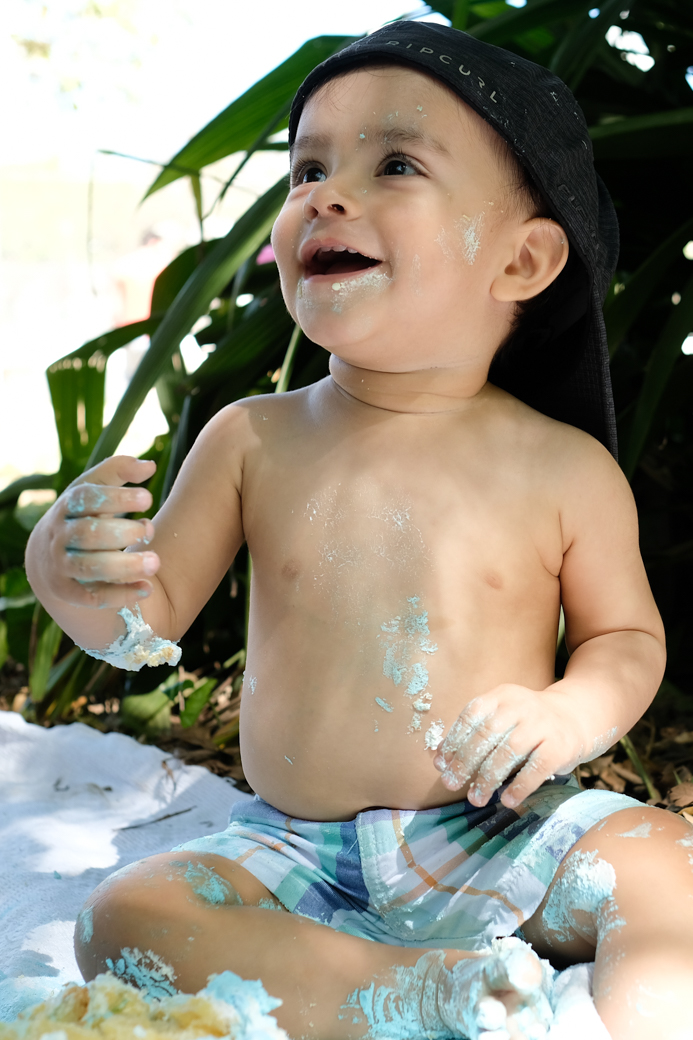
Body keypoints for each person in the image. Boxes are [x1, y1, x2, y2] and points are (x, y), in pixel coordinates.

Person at [25, 21, 693, 1040]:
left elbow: (626, 641)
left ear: (521, 259)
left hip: (500, 834)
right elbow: (146, 613)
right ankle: (408, 993)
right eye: (307, 168)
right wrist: (74, 577)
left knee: (665, 865)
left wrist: (567, 714)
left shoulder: (565, 467)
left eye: (394, 164)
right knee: (125, 917)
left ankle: (625, 1023)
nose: (324, 194)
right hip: (294, 851)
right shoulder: (251, 438)